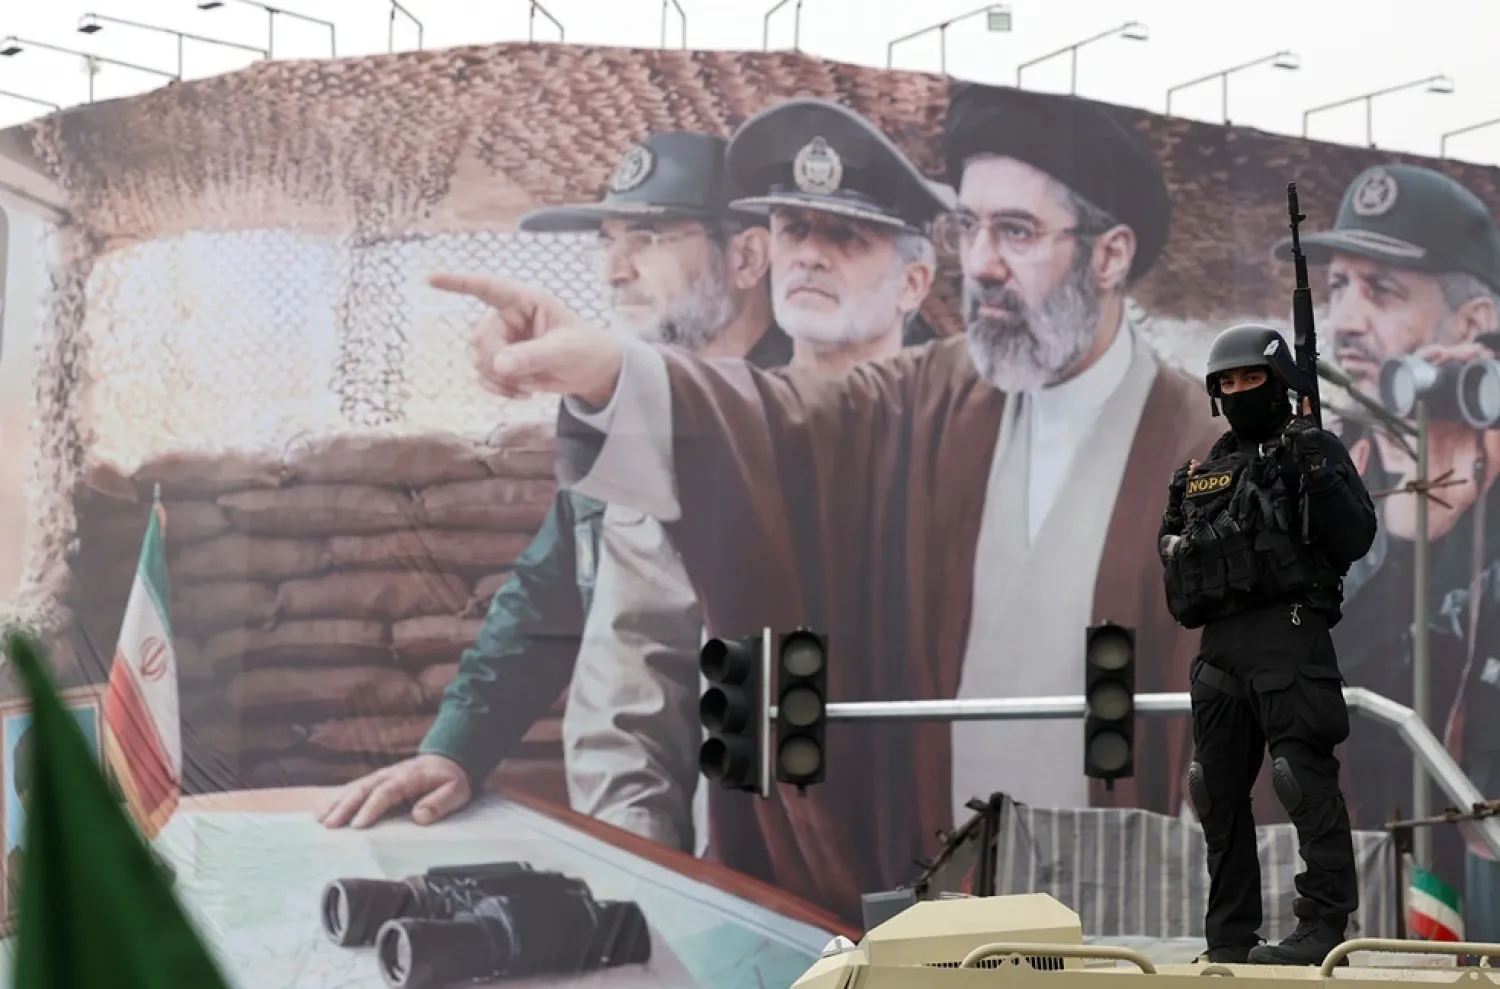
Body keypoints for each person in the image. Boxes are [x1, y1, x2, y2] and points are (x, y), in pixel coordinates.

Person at [426, 84, 1221, 922]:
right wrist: (602, 369)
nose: (982, 262)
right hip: (924, 913)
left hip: (1115, 925)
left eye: (1016, 232)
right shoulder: (926, 396)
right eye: (972, 229)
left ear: (1109, 256)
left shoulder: (1207, 450)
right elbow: (774, 429)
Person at [314, 131, 789, 846]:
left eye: (650, 236)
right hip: (652, 836)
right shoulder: (627, 411)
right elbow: (549, 595)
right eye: (607, 240)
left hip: (786, 843)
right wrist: (456, 748)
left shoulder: (824, 415)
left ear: (748, 256)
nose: (613, 270)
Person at [560, 99, 945, 853]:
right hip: (756, 875)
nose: (808, 254)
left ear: (913, 283)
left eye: (844, 234)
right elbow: (629, 702)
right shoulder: (703, 437)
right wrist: (654, 895)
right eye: (794, 230)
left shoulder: (969, 440)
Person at [1272, 163, 1500, 938]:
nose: (1345, 319)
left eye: (1384, 291)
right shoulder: (1314, 486)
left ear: (1473, 323)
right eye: (1337, 286)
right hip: (1353, 897)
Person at [1160, 322, 1377, 965]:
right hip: (1220, 647)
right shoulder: (1207, 471)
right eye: (1226, 382)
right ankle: (1229, 933)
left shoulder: (1311, 449)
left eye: (1250, 378)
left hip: (1289, 635)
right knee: (1214, 790)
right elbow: (1177, 570)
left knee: (1299, 779)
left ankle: (1322, 926)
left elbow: (1355, 539)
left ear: (1279, 382)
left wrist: (1318, 471)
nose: (1237, 390)